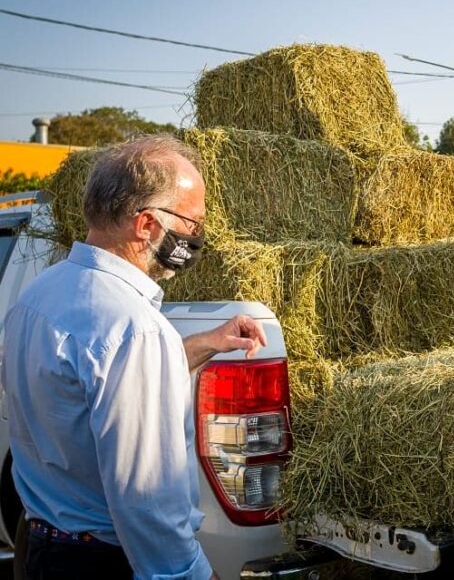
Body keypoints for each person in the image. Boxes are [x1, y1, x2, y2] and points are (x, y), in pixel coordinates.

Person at [2, 136, 267, 579]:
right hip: (105, 561)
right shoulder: (132, 327)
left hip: (43, 548)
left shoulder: (39, 294)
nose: (195, 238)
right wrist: (187, 573)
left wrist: (208, 341)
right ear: (146, 224)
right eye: (192, 224)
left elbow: (100, 386)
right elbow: (145, 499)